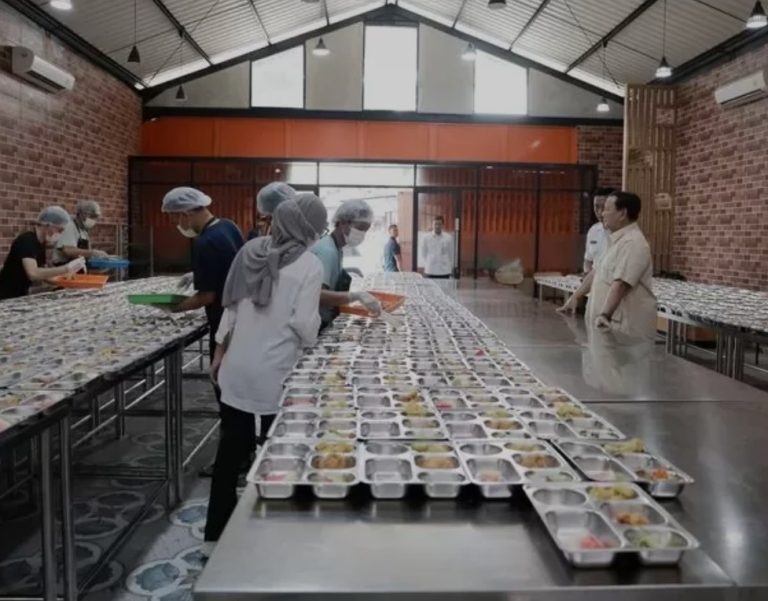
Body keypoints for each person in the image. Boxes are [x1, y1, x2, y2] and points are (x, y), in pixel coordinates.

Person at [204, 193, 328, 543]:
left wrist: (219, 353)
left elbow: (230, 309)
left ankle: (214, 536)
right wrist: (315, 340)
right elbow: (303, 324)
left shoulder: (250, 251)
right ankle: (276, 538)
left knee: (229, 455)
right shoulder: (308, 264)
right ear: (308, 229)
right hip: (277, 374)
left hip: (237, 369)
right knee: (282, 452)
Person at [558, 192, 656, 341]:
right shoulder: (615, 240)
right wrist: (575, 297)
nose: (602, 213)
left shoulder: (633, 243)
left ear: (622, 213)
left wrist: (605, 314)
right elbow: (596, 272)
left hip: (622, 328)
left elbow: (621, 283)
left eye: (607, 209)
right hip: (606, 325)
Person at [311, 198, 382, 329]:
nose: (361, 234)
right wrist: (356, 296)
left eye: (365, 231)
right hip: (315, 323)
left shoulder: (336, 248)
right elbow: (317, 295)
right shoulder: (327, 250)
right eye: (360, 228)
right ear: (343, 222)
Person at [0, 207, 86, 300]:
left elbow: (45, 276)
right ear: (49, 225)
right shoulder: (27, 241)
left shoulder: (40, 244)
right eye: (60, 230)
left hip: (18, 295)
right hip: (4, 296)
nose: (60, 234)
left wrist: (68, 280)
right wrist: (66, 268)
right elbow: (33, 274)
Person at [52, 200, 108, 266]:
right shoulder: (70, 226)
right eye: (91, 217)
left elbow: (87, 250)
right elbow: (68, 250)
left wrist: (96, 256)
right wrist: (92, 253)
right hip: (64, 266)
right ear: (81, 214)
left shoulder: (83, 230)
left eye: (95, 217)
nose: (93, 220)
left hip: (77, 265)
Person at [583, 188, 615, 273]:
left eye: (604, 207)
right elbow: (588, 260)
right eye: (596, 207)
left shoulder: (623, 234)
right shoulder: (593, 230)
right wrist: (587, 274)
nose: (600, 212)